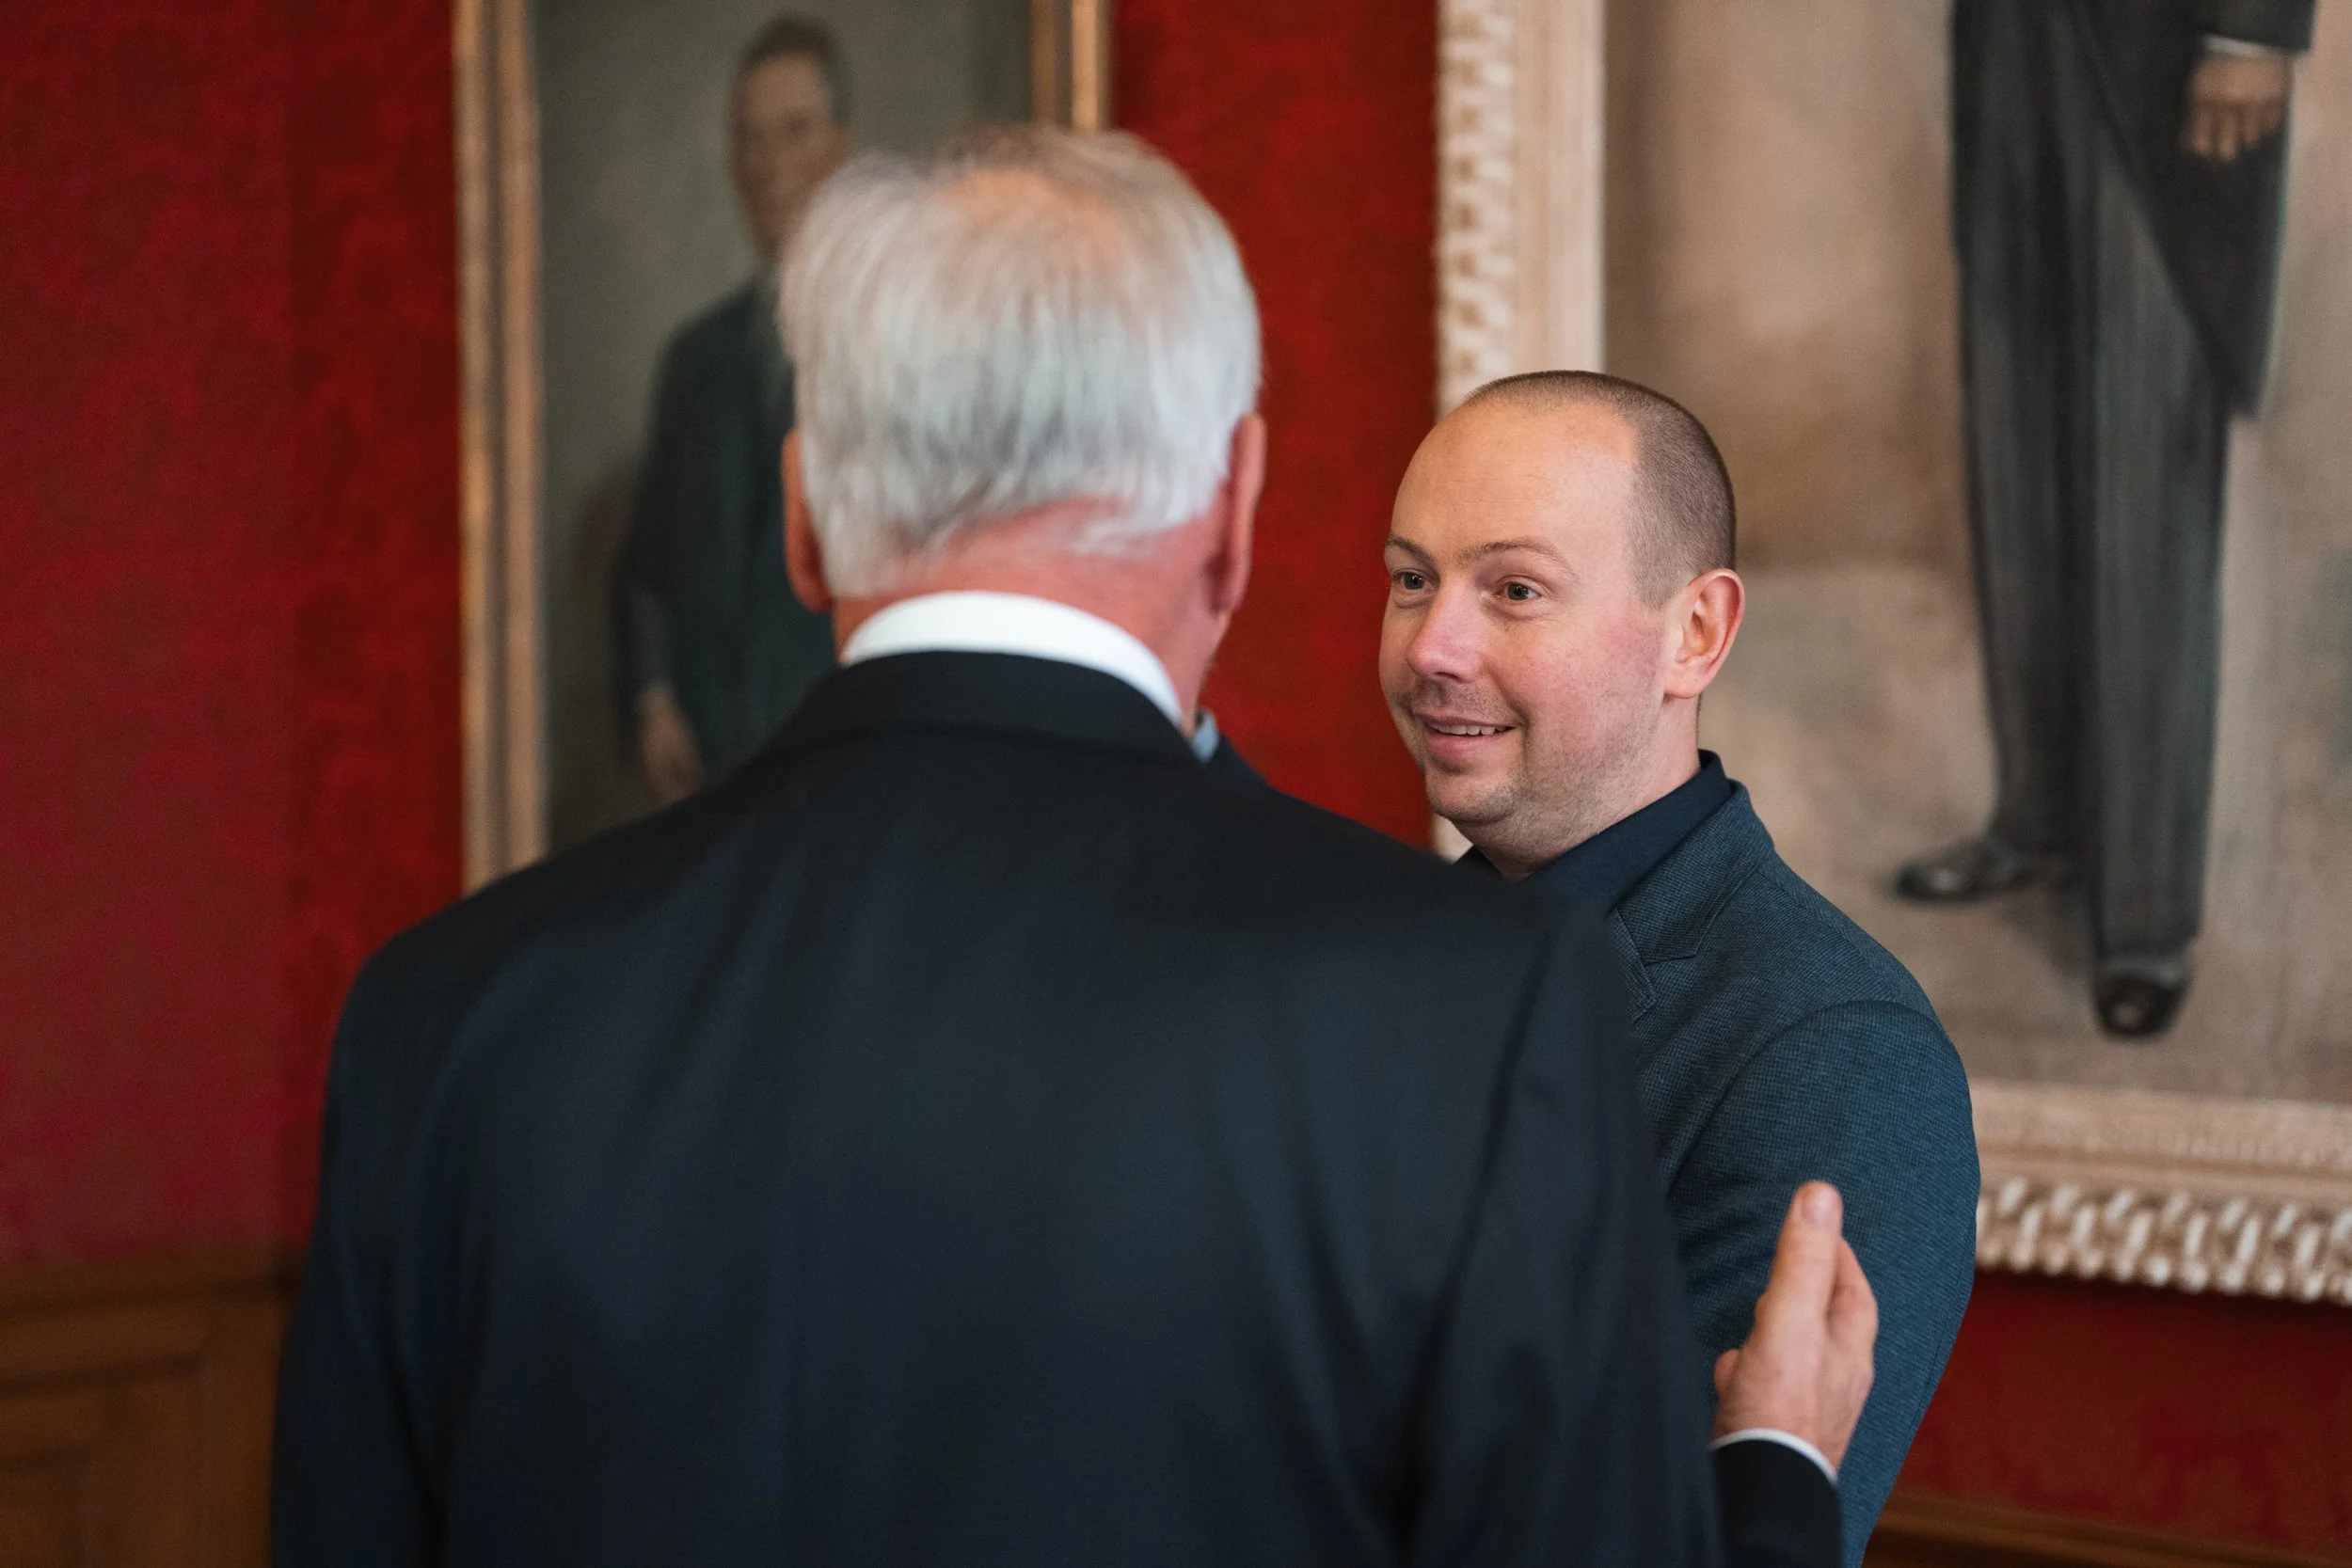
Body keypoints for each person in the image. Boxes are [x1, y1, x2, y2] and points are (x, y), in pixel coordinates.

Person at [276, 130, 1872, 1566]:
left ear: (805, 519)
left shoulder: (450, 1011)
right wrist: (1778, 1480)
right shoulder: (1473, 1008)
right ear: (1236, 511)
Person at [1375, 371, 1978, 1567]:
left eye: (1514, 589)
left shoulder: (1833, 1049)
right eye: (1410, 579)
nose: (1432, 645)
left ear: (1692, 633)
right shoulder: (1361, 957)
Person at [1898, 0, 2314, 1036]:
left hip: (2169, 42)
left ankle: (2141, 912)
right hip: (2008, 36)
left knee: (2143, 456)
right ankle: (2038, 814)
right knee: (2016, 426)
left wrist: (2254, 32)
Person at [612, 15, 852, 806]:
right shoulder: (695, 360)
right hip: (712, 791)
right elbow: (646, 570)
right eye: (750, 140)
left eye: (794, 132)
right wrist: (654, 701)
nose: (770, 166)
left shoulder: (893, 345)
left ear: (841, 148)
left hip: (841, 776)